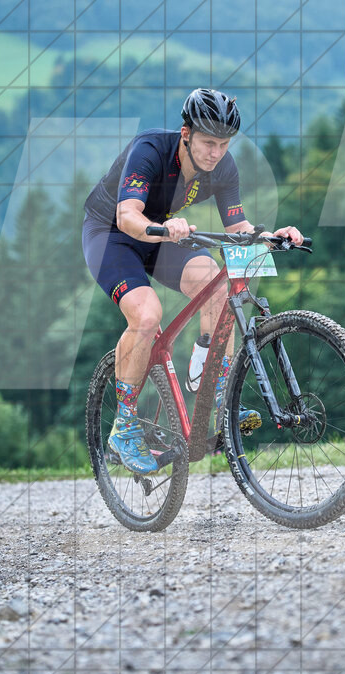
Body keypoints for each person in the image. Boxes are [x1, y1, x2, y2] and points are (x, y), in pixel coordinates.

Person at [82, 88, 303, 475]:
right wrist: (165, 228)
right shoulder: (150, 149)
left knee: (218, 289)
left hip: (165, 236)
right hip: (111, 235)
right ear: (186, 133)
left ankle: (212, 390)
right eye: (207, 143)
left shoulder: (223, 167)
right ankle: (125, 424)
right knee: (148, 317)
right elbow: (127, 215)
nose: (215, 153)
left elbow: (238, 226)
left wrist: (270, 236)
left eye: (223, 144)